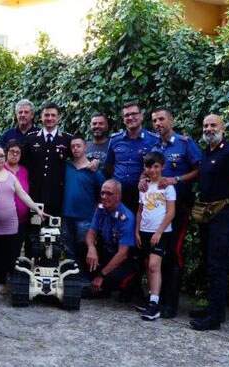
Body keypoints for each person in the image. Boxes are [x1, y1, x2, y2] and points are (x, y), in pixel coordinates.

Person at [189, 114, 229, 331]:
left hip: (223, 216)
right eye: (205, 125)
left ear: (223, 128)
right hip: (208, 216)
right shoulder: (208, 152)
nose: (208, 128)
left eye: (213, 125)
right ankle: (215, 310)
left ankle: (214, 319)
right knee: (209, 264)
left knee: (218, 266)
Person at [146, 107, 202, 319]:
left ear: (172, 120)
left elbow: (200, 170)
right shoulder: (154, 146)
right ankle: (156, 299)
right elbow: (150, 172)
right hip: (156, 210)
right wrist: (144, 181)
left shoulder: (185, 143)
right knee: (156, 256)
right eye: (154, 120)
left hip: (178, 209)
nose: (158, 124)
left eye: (161, 119)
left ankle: (171, 304)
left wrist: (176, 179)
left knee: (174, 254)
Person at [0, 145, 44, 294]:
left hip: (11, 222)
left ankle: (7, 280)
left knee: (11, 253)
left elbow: (22, 194)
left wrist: (36, 208)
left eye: (1, 156)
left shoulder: (10, 176)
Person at [134, 151, 175, 321]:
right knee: (147, 266)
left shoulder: (168, 187)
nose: (153, 170)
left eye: (156, 166)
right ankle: (151, 298)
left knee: (153, 265)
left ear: (162, 166)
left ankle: (155, 305)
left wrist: (159, 232)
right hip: (144, 231)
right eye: (149, 166)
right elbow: (140, 210)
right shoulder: (143, 187)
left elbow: (171, 212)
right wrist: (136, 231)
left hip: (161, 233)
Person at [84, 179, 137, 296]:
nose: (104, 196)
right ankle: (97, 285)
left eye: (109, 193)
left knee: (109, 280)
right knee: (83, 249)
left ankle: (115, 286)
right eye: (102, 193)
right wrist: (91, 248)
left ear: (118, 196)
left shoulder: (126, 218)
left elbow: (123, 254)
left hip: (123, 260)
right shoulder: (101, 209)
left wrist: (101, 275)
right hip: (107, 252)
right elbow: (91, 233)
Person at [105, 101, 159, 214]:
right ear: (123, 119)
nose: (130, 117)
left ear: (141, 116)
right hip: (118, 195)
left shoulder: (154, 140)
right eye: (126, 115)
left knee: (140, 228)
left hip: (143, 194)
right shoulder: (115, 139)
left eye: (134, 114)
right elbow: (109, 166)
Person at [22, 102, 72, 216]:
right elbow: (22, 164)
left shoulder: (67, 140)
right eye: (46, 115)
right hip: (35, 194)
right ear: (41, 117)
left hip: (57, 195)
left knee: (54, 230)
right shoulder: (31, 139)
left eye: (53, 115)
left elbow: (77, 160)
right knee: (34, 229)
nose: (50, 118)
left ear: (59, 118)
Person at [62, 136, 105, 264]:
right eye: (73, 146)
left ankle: (85, 280)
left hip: (86, 217)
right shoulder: (66, 167)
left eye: (78, 146)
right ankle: (71, 279)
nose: (75, 149)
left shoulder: (94, 170)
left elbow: (103, 193)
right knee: (68, 250)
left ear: (85, 147)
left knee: (85, 249)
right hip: (66, 215)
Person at [3, 140, 30, 253]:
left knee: (16, 251)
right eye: (12, 151)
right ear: (6, 153)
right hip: (3, 220)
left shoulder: (24, 171)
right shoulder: (0, 169)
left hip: (21, 220)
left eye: (17, 152)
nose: (14, 154)